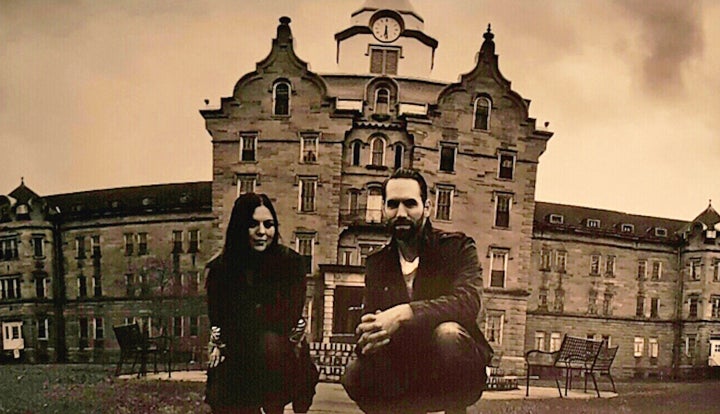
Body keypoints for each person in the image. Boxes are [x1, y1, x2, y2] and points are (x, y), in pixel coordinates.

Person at [342, 168, 493, 414]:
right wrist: (368, 337)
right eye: (392, 205)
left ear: (427, 207)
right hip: (405, 363)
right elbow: (371, 320)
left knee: (448, 334)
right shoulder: (377, 263)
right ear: (384, 209)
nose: (401, 213)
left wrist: (404, 313)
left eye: (410, 204)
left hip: (455, 364)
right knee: (353, 374)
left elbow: (468, 302)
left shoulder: (457, 247)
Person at [205, 193, 316, 414]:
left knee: (269, 344)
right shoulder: (221, 269)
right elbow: (219, 318)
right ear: (239, 227)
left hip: (279, 355)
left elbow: (287, 317)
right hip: (239, 356)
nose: (262, 232)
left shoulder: (291, 263)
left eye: (269, 224)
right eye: (252, 225)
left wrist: (242, 318)